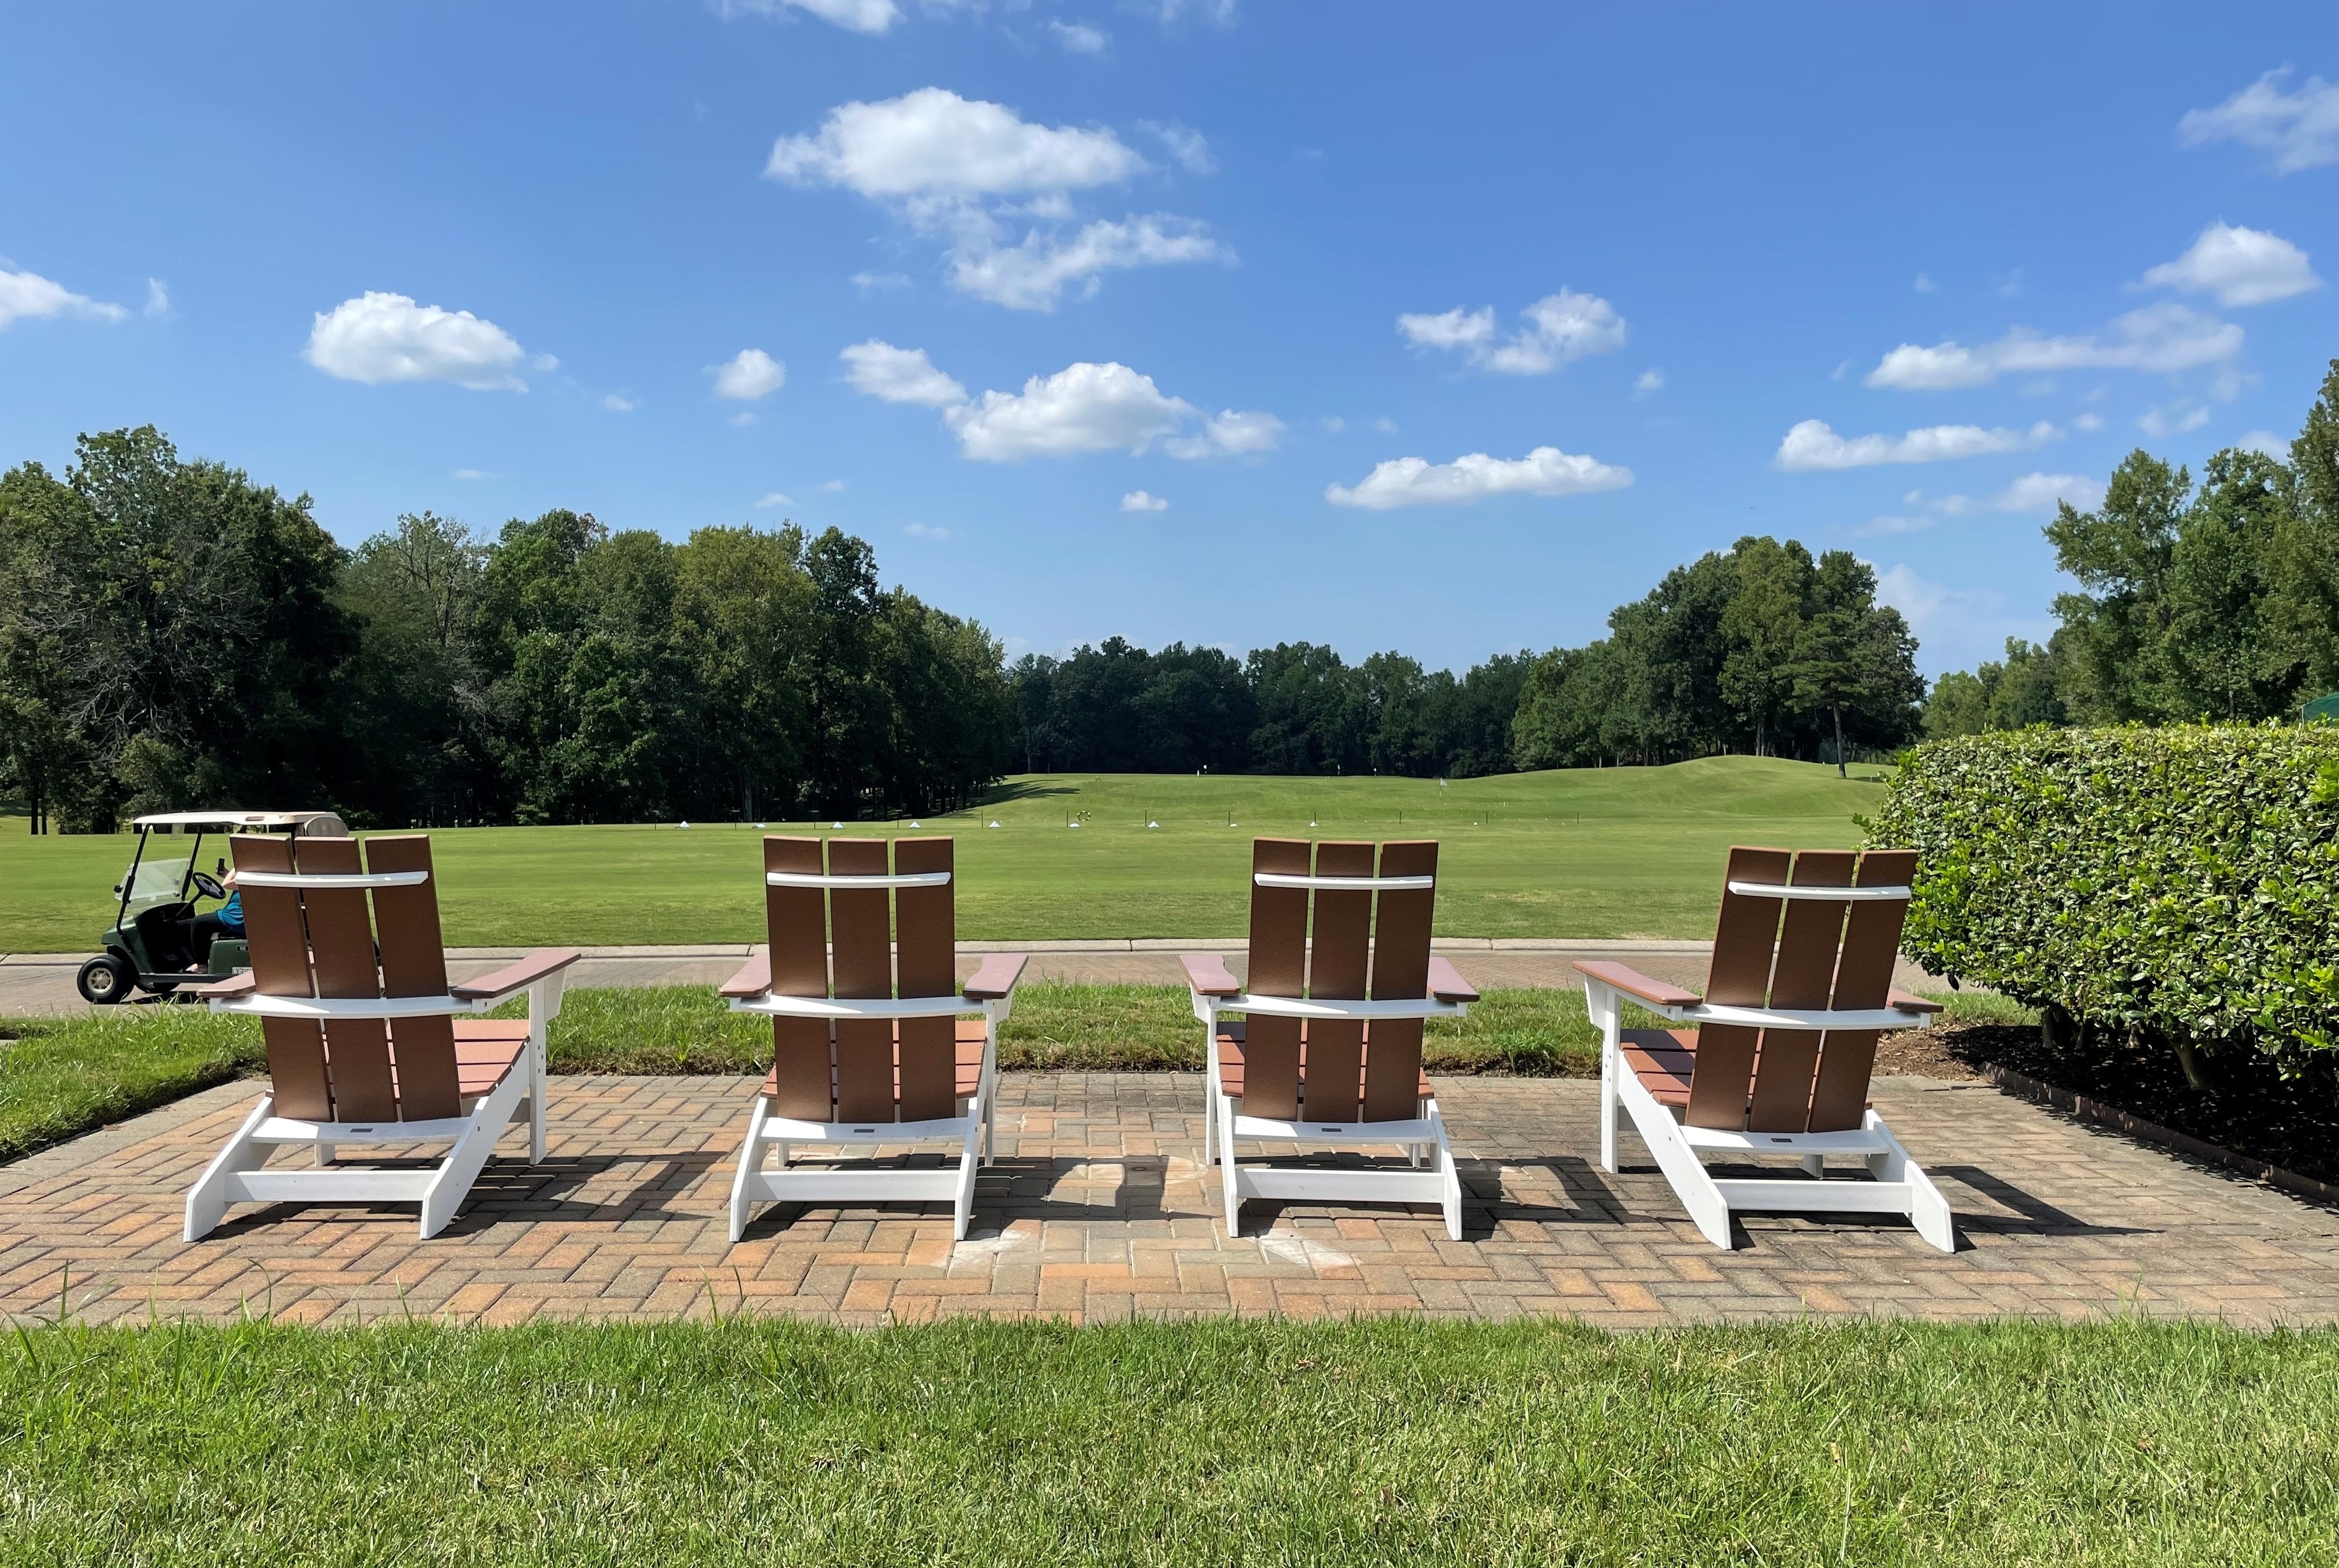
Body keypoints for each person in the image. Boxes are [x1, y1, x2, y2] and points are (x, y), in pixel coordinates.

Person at [185, 868, 244, 969]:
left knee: (198, 923)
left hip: (236, 917)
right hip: (236, 913)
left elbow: (226, 884)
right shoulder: (252, 876)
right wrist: (227, 873)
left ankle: (201, 965)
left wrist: (236, 868)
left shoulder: (249, 877)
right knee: (199, 923)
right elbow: (236, 884)